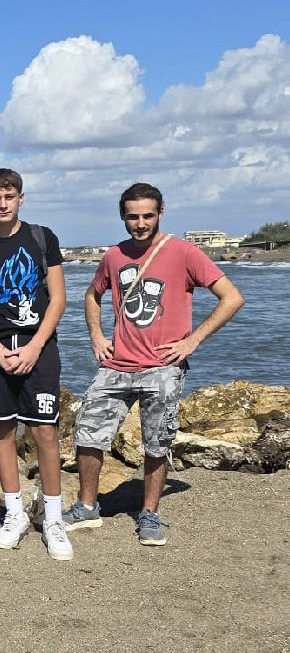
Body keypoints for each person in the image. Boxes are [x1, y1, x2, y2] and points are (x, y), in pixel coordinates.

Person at [63, 183, 244, 546]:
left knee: (156, 442)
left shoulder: (183, 252)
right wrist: (97, 337)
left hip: (162, 367)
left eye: (148, 215)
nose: (140, 223)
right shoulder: (114, 256)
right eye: (133, 216)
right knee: (88, 432)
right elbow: (92, 295)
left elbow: (232, 297)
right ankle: (87, 506)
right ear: (123, 217)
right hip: (117, 364)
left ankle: (150, 514)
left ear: (161, 213)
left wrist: (193, 340)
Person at [0, 168, 71, 559]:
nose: (2, 203)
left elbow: (57, 298)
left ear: (21, 198)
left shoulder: (42, 238)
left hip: (39, 350)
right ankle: (14, 513)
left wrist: (36, 346)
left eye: (9, 196)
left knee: (44, 432)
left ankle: (53, 518)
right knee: (2, 432)